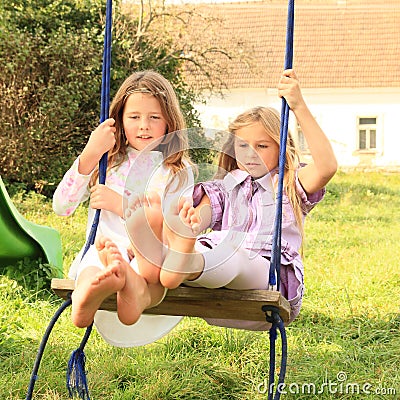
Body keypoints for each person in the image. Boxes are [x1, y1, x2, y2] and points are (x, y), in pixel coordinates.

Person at [95, 68, 337, 332]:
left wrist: (298, 105)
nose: (251, 154)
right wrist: (179, 227)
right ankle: (160, 261)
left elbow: (326, 167)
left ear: (281, 147)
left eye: (263, 146)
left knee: (234, 258)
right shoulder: (224, 188)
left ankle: (179, 259)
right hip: (210, 282)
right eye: (243, 145)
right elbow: (197, 221)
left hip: (268, 278)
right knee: (198, 246)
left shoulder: (288, 184)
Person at [53, 70, 194, 346]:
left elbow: (175, 228)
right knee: (93, 268)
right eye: (134, 117)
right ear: (119, 120)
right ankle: (84, 301)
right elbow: (62, 206)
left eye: (154, 117)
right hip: (103, 250)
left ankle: (124, 282)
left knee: (135, 272)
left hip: (150, 260)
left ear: (169, 121)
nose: (144, 126)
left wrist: (122, 205)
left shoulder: (177, 170)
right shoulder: (108, 162)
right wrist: (91, 153)